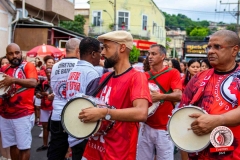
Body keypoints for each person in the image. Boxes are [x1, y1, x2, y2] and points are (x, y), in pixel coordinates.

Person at [79, 30, 151, 160]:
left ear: (122, 47)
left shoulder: (137, 77)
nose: (102, 53)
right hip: (93, 151)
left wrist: (103, 112)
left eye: (106, 47)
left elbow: (141, 113)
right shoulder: (104, 78)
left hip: (118, 154)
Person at [179, 30, 240, 160]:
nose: (210, 51)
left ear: (234, 50)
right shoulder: (197, 79)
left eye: (217, 47)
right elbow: (181, 117)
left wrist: (218, 120)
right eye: (209, 47)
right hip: (199, 154)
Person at [137, 44, 182, 160]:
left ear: (163, 56)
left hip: (164, 128)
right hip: (145, 126)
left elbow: (179, 95)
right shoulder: (144, 76)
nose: (149, 57)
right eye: (149, 54)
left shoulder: (173, 73)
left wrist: (160, 96)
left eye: (153, 54)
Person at [66, 37, 103, 160]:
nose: (101, 56)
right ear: (93, 54)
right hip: (84, 130)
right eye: (99, 52)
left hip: (73, 127)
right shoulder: (92, 73)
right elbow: (94, 103)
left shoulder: (73, 71)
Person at [0, 43, 38, 160]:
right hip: (5, 115)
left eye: (17, 53)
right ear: (7, 55)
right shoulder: (3, 69)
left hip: (23, 114)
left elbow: (33, 82)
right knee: (12, 145)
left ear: (21, 53)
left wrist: (13, 80)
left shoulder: (28, 66)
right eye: (11, 54)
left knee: (24, 147)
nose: (15, 56)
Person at [47, 38, 80, 160]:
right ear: (78, 50)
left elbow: (54, 88)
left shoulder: (55, 66)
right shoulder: (80, 65)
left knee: (55, 151)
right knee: (77, 151)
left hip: (57, 115)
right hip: (74, 116)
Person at [35, 68, 53, 152]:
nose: (49, 74)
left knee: (54, 127)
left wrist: (49, 94)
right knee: (45, 126)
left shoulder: (56, 82)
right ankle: (45, 144)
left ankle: (53, 144)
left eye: (50, 72)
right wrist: (39, 94)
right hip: (44, 106)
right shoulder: (43, 83)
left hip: (54, 107)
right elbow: (37, 91)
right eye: (47, 73)